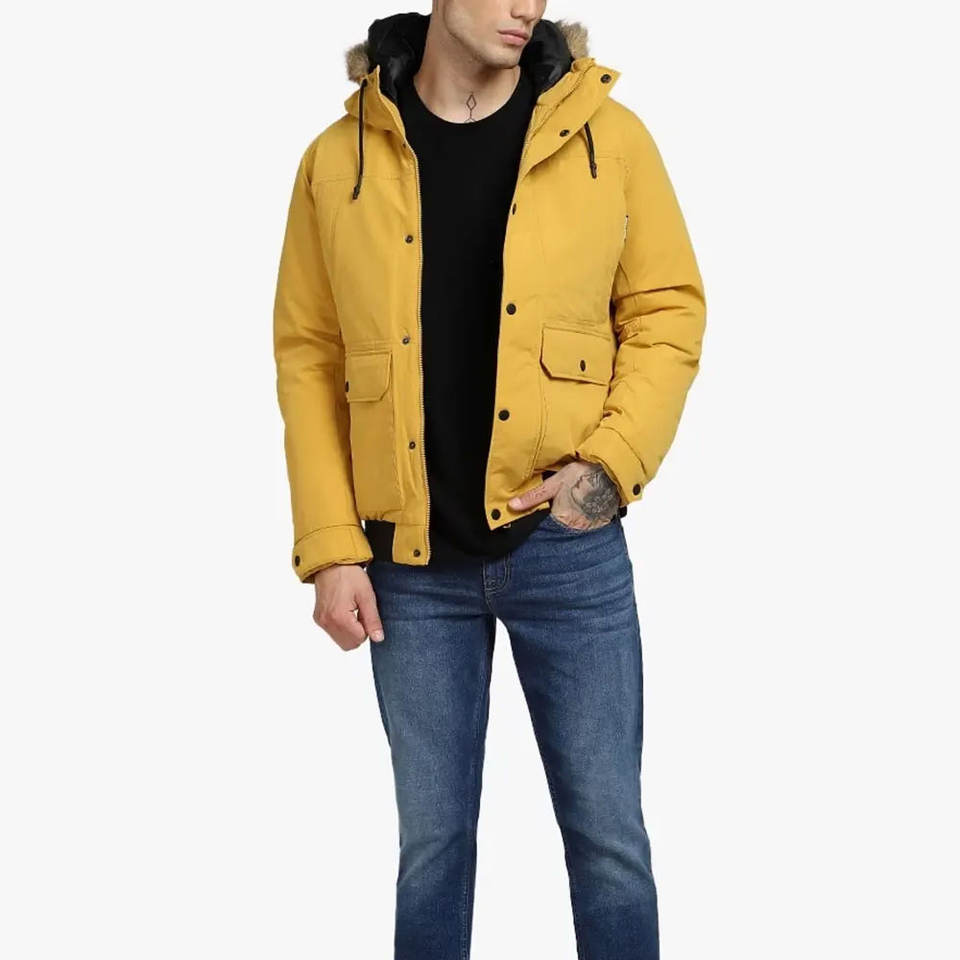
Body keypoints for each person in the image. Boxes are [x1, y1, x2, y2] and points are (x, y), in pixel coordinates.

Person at [272, 3, 705, 958]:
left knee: (610, 846)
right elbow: (309, 356)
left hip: (568, 551)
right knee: (432, 852)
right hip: (408, 564)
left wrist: (609, 465)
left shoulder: (609, 139)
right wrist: (332, 547)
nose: (527, 8)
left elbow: (667, 312)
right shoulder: (336, 160)